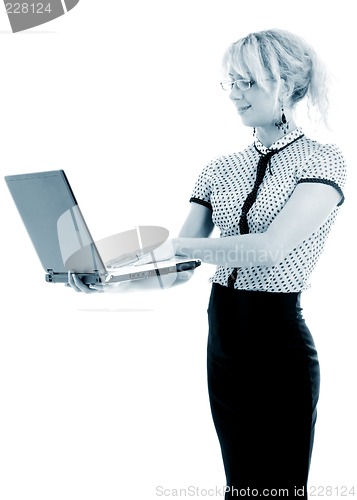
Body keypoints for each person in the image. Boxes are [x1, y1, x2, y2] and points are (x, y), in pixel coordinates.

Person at [69, 29, 347, 500]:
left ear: (284, 85)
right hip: (223, 342)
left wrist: (177, 245)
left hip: (277, 345)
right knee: (240, 487)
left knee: (278, 489)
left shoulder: (323, 161)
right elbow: (181, 265)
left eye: (248, 82)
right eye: (231, 82)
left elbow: (267, 249)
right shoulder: (219, 168)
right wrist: (109, 280)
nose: (235, 94)